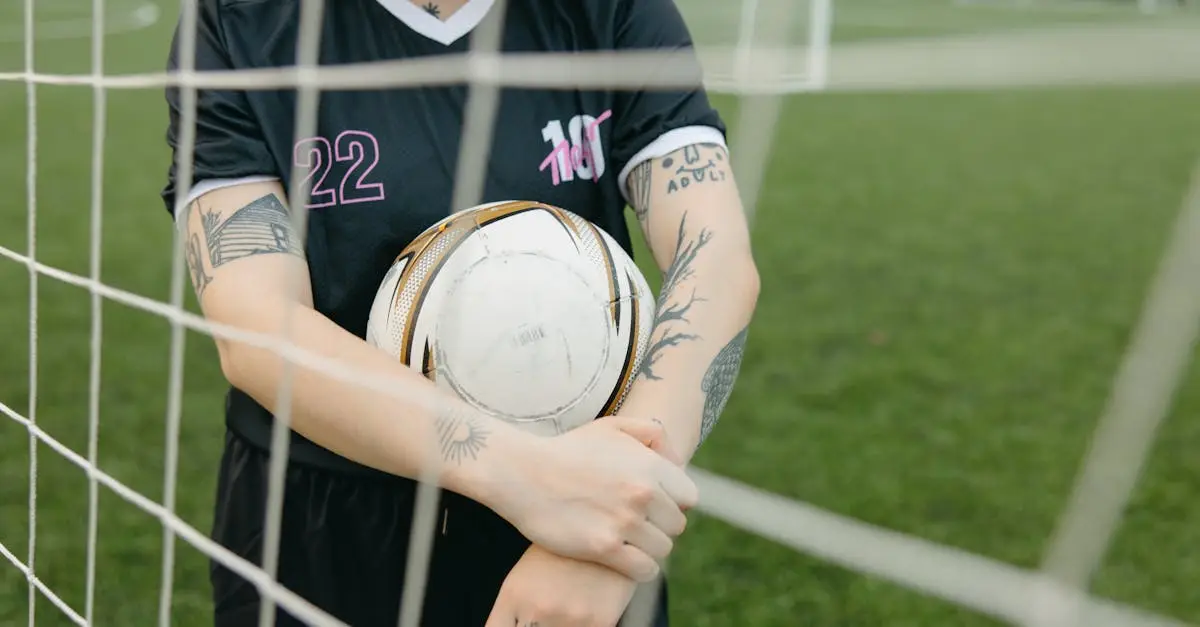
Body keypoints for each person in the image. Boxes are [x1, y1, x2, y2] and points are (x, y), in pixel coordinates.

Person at [162, 0, 760, 625]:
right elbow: (256, 324)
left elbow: (713, 255)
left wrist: (609, 519)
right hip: (321, 507)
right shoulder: (238, 19)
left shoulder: (611, 10)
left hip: (586, 484)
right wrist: (535, 481)